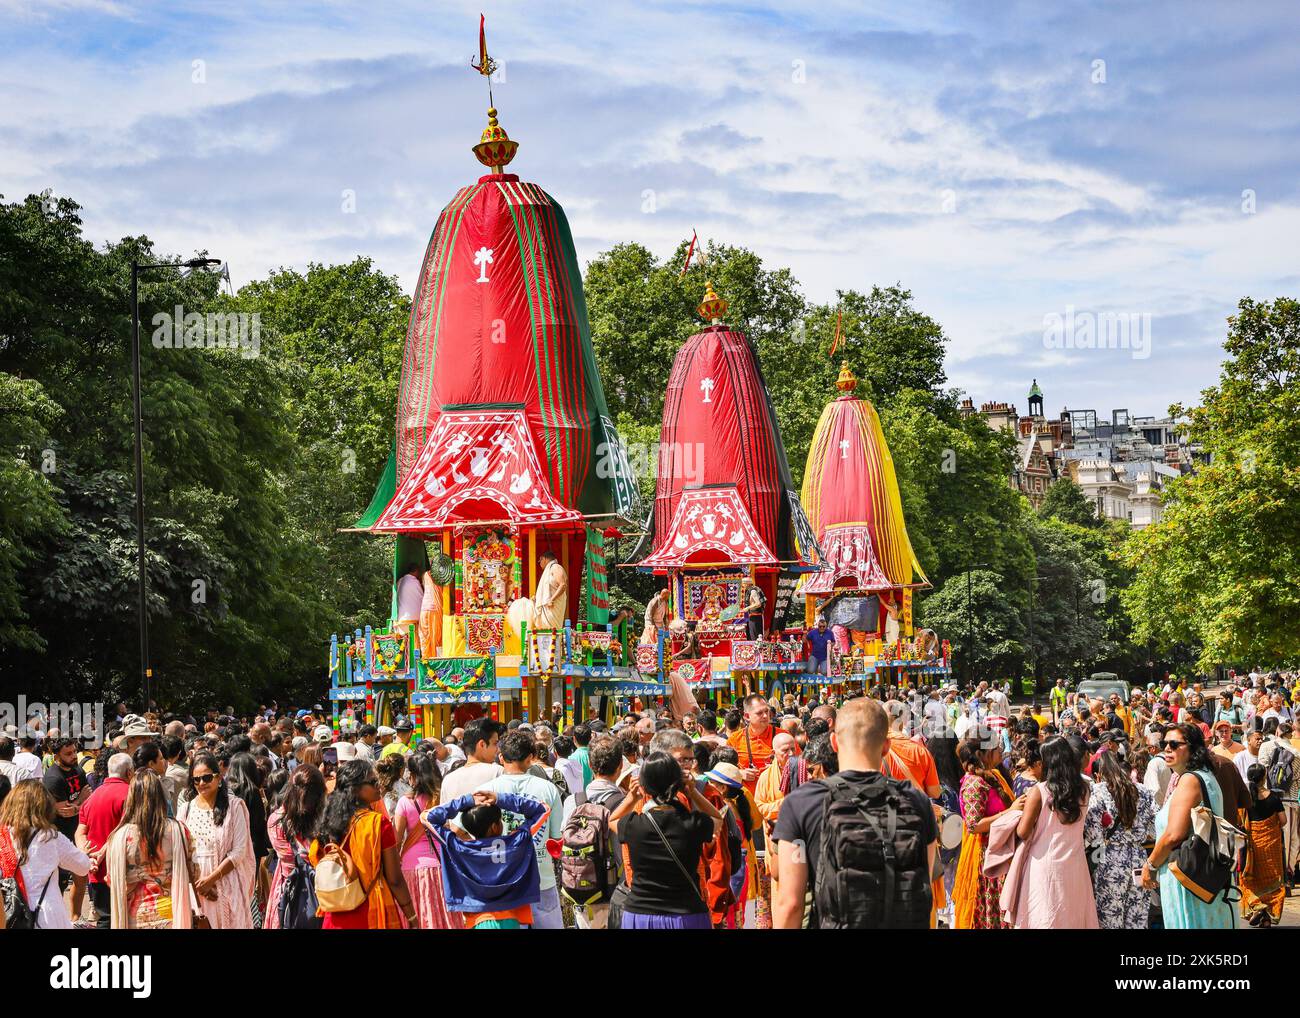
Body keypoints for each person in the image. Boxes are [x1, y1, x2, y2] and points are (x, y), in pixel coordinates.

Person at [773, 697, 937, 929]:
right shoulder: (917, 801)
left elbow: (790, 903)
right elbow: (924, 884)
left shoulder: (801, 803)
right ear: (886, 746)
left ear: (834, 742)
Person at [613, 751, 723, 928]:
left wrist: (632, 797)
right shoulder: (692, 823)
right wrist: (693, 792)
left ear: (644, 784)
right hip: (686, 914)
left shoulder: (634, 825)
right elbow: (717, 818)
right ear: (678, 783)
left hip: (640, 913)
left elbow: (612, 820)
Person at [1141, 723, 1236, 929]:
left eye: (1174, 744)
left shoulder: (1191, 780)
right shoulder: (1203, 776)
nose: (1166, 748)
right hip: (1199, 877)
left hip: (1188, 879)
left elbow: (1174, 835)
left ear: (1193, 748)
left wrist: (1150, 865)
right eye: (1164, 743)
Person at [1002, 736, 1097, 929]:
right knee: (1074, 916)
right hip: (1075, 864)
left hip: (1044, 864)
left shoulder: (1039, 791)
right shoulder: (1084, 788)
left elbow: (1023, 831)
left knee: (1046, 917)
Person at [311, 759, 418, 929]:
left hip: (336, 911)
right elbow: (395, 879)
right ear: (355, 788)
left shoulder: (328, 820)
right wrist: (411, 915)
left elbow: (316, 857)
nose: (378, 785)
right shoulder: (378, 823)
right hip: (369, 911)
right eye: (373, 782)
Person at [422, 789, 549, 928]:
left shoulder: (459, 848)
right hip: (510, 919)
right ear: (495, 827)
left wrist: (467, 800)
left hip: (478, 920)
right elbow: (542, 809)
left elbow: (427, 817)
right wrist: (499, 798)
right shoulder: (515, 842)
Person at [482, 730, 565, 929]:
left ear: (501, 757)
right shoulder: (548, 789)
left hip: (503, 881)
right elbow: (556, 836)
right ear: (531, 758)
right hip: (541, 878)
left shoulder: (487, 789)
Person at [105, 770, 196, 929]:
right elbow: (194, 871)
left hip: (135, 917)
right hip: (173, 914)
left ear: (131, 798)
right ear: (160, 796)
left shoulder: (120, 837)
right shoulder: (179, 830)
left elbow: (112, 880)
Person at [177, 751, 256, 929]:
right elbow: (181, 852)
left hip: (228, 884)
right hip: (197, 891)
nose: (201, 783)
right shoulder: (185, 810)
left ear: (219, 777)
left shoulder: (235, 806)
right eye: (196, 780)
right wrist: (199, 885)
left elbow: (239, 851)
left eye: (206, 778)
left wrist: (212, 879)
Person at [0, 779, 93, 928]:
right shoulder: (50, 837)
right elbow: (83, 866)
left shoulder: (2, 835)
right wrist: (83, 851)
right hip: (46, 915)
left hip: (10, 915)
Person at [1085, 749, 1156, 929]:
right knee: (1137, 918)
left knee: (1110, 919)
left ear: (1099, 774)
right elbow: (1156, 828)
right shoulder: (1144, 791)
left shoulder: (1098, 791)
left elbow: (1094, 836)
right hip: (1140, 859)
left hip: (1109, 860)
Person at [953, 736, 1018, 929]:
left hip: (1001, 850)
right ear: (981, 754)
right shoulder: (974, 783)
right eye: (996, 748)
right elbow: (974, 825)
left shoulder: (993, 775)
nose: (1000, 751)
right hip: (986, 858)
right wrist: (1011, 811)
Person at [391, 752, 461, 929]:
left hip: (411, 866)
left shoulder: (404, 802)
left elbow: (397, 839)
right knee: (441, 914)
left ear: (412, 775)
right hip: (440, 863)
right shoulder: (439, 799)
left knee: (418, 911)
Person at [76, 751, 133, 929]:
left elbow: (80, 831)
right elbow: (125, 831)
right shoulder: (130, 794)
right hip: (123, 870)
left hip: (97, 871)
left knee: (105, 919)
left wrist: (87, 854)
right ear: (130, 772)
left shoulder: (92, 797)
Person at [265, 764, 325, 929]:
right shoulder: (324, 822)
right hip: (324, 891)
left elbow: (286, 859)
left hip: (288, 888)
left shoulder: (275, 820)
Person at [41, 737, 88, 919]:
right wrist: (80, 800)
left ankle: (76, 917)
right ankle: (57, 919)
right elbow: (64, 811)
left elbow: (87, 796)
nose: (74, 756)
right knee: (58, 882)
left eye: (74, 751)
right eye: (68, 754)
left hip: (77, 832)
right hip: (59, 835)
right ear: (56, 755)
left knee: (81, 875)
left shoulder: (78, 769)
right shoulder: (53, 777)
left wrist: (78, 803)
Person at [1240, 763, 1286, 927]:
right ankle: (1265, 913)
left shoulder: (1245, 797)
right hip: (1271, 847)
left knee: (1251, 879)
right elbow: (1283, 821)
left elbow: (1240, 821)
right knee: (1272, 880)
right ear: (1264, 777)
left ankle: (1260, 911)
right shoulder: (1273, 797)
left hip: (1252, 847)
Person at [440, 718, 504, 804]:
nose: (498, 749)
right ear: (482, 744)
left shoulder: (448, 780)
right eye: (495, 743)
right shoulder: (498, 772)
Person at [728, 693, 775, 795]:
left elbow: (799, 763)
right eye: (759, 713)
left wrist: (777, 768)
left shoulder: (782, 736)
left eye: (767, 711)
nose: (766, 716)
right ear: (747, 716)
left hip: (775, 800)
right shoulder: (735, 738)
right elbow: (722, 767)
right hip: (747, 799)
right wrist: (739, 773)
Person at [531, 551, 568, 631]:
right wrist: (537, 598)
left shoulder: (555, 567)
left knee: (553, 632)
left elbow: (563, 585)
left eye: (539, 561)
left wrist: (552, 599)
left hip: (553, 607)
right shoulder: (548, 571)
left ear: (543, 559)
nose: (539, 564)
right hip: (546, 608)